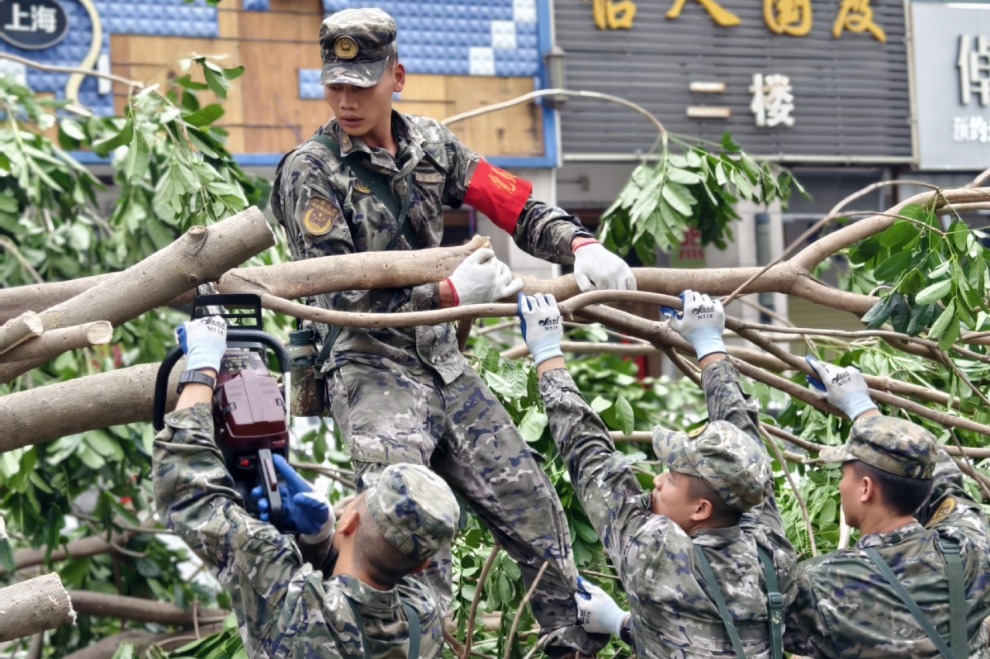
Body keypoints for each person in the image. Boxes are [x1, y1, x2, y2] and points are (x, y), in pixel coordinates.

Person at [270, 7, 635, 655]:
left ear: (397, 76)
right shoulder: (311, 172)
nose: (348, 98)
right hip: (370, 370)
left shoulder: (434, 147)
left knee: (537, 515)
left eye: (362, 82)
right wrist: (449, 293)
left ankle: (570, 645)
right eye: (336, 85)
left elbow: (512, 202)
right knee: (408, 541)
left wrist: (579, 245)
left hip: (443, 364)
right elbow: (335, 296)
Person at [153, 317, 460, 658]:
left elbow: (186, 489)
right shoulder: (424, 622)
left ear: (351, 520)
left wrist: (202, 368)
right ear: (420, 568)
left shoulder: (297, 605)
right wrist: (321, 541)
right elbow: (362, 597)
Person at [517, 290, 797, 658]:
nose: (658, 481)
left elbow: (593, 463)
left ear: (700, 510)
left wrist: (547, 356)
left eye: (673, 478)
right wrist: (711, 345)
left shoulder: (658, 554)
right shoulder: (773, 557)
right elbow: (746, 456)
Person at [783, 358, 990, 658]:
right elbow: (944, 484)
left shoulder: (823, 583)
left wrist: (712, 354)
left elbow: (745, 600)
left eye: (844, 476)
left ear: (865, 489)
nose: (841, 486)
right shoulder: (971, 548)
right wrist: (862, 408)